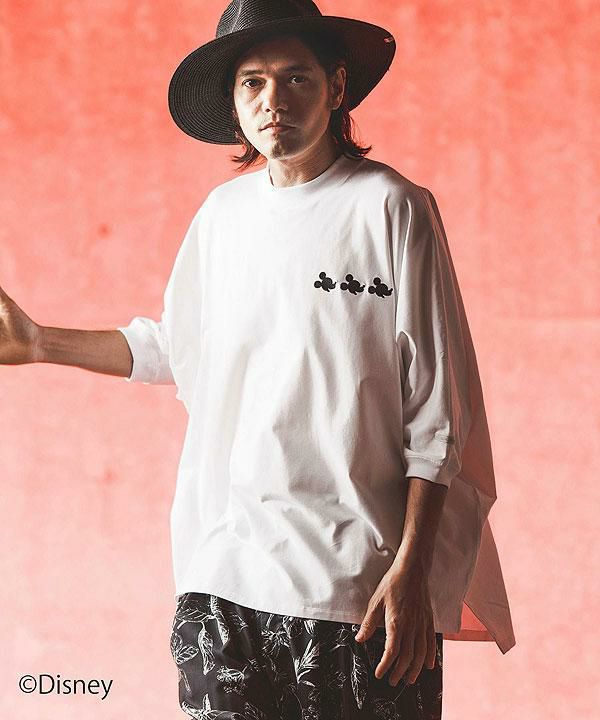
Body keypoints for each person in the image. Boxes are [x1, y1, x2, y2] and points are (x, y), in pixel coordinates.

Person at [0, 1, 516, 718]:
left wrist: (414, 571)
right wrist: (39, 343)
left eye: (296, 77)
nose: (274, 100)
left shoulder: (392, 207)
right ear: (234, 101)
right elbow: (176, 347)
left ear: (336, 87)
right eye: (253, 82)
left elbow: (436, 415)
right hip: (222, 577)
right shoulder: (222, 217)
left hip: (355, 589)